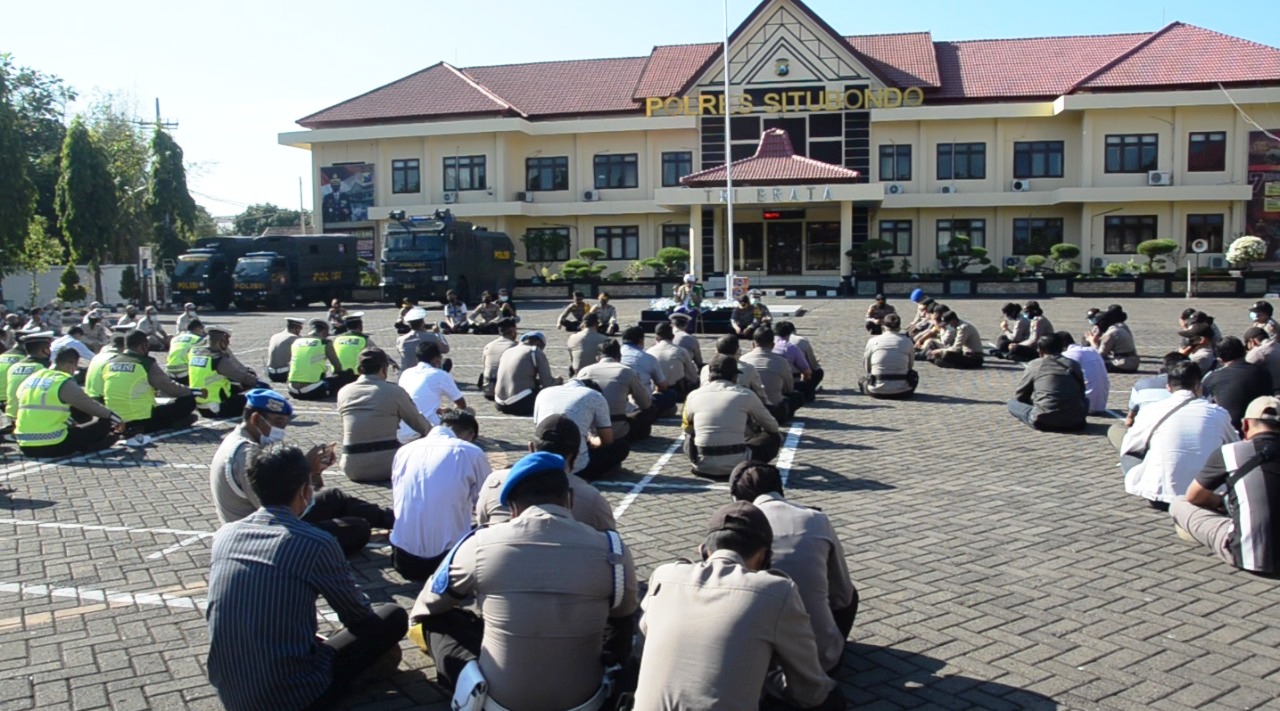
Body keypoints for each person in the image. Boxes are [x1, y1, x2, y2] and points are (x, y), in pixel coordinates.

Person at [409, 451, 638, 708]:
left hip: (498, 702)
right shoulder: (613, 549)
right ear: (570, 500)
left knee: (437, 621)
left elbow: (428, 606)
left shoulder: (479, 544)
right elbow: (624, 613)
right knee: (623, 620)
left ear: (512, 508)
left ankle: (469, 687)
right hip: (587, 701)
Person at [205, 443, 408, 711]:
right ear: (304, 490)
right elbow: (357, 616)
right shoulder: (314, 542)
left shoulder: (225, 535)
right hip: (294, 696)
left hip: (231, 691)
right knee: (392, 616)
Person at [633, 502, 841, 711]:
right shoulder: (777, 590)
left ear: (704, 550)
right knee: (831, 699)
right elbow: (810, 690)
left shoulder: (664, 575)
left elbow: (641, 650)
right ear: (764, 556)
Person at [209, 389, 394, 556]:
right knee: (356, 528)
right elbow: (280, 514)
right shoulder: (247, 456)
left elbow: (295, 497)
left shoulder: (243, 441)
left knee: (333, 496)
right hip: (262, 537)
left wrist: (314, 472)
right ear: (256, 419)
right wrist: (305, 469)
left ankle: (397, 520)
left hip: (271, 523)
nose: (281, 431)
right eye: (279, 423)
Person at [729, 461, 858, 674]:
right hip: (819, 660)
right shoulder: (816, 519)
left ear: (737, 498)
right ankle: (829, 643)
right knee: (849, 594)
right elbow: (842, 595)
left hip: (753, 665)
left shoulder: (734, 526)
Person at [1171, 395, 1280, 577]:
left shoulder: (1230, 452)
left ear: (1245, 425)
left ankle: (1203, 533)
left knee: (1180, 503)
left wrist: (1221, 501)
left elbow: (1194, 497)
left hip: (1249, 555)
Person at [1118, 361, 1238, 509]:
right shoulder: (1218, 413)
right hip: (1207, 494)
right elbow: (1234, 445)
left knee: (1126, 445)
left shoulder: (1152, 410)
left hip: (1161, 496)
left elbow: (1130, 446)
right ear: (1198, 386)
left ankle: (1144, 481)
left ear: (1168, 387)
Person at [390, 409, 489, 581]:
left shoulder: (404, 451)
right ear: (469, 434)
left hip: (403, 560)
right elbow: (486, 503)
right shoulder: (471, 452)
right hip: (448, 562)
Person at [474, 414, 616, 531]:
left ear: (531, 447)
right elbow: (611, 544)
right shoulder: (591, 497)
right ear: (576, 454)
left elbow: (481, 524)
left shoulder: (494, 481)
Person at [336, 348, 431, 483]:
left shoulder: (344, 392)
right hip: (387, 466)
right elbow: (420, 424)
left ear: (359, 369)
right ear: (383, 369)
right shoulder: (394, 392)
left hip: (352, 467)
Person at [13, 347, 123, 457]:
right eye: (75, 367)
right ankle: (90, 446)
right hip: (53, 444)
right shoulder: (61, 381)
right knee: (104, 423)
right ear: (70, 364)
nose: (74, 371)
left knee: (72, 411)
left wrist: (70, 422)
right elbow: (89, 404)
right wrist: (116, 419)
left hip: (25, 445)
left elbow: (43, 408)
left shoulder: (32, 378)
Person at [683, 356, 781, 478]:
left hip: (702, 464)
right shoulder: (745, 394)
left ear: (709, 376)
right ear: (735, 377)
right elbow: (773, 427)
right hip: (737, 464)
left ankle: (701, 462)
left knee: (689, 432)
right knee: (773, 437)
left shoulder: (693, 396)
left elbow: (687, 429)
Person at [102, 329, 198, 441]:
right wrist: (193, 391)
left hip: (114, 418)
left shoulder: (110, 363)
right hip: (139, 418)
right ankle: (168, 423)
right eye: (147, 345)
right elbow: (171, 388)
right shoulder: (145, 363)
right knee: (188, 401)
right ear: (141, 346)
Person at [532, 376, 630, 480]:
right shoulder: (595, 396)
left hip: (542, 463)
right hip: (577, 468)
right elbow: (607, 440)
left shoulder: (544, 393)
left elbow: (538, 429)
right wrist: (591, 439)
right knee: (621, 446)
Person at [1007, 333, 1089, 432]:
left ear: (1040, 350)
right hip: (1075, 423)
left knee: (1012, 403)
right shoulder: (1074, 364)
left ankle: (1044, 413)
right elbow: (1082, 393)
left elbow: (1021, 396)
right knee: (1087, 400)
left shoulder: (1035, 364)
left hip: (1044, 422)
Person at [578, 340, 653, 442]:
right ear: (619, 357)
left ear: (597, 358)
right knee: (648, 411)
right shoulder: (626, 371)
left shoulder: (584, 371)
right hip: (617, 428)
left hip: (589, 428)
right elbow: (645, 404)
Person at [189, 326, 264, 419]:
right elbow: (242, 376)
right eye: (227, 340)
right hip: (216, 408)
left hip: (200, 404)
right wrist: (260, 383)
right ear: (222, 341)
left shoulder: (194, 353)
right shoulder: (218, 359)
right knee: (256, 398)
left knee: (235, 386)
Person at [396, 342, 466, 442]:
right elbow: (461, 403)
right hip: (426, 431)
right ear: (436, 359)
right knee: (467, 413)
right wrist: (450, 413)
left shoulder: (406, 373)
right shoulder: (441, 375)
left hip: (402, 431)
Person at [1202, 336, 1274, 431]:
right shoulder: (1264, 372)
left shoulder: (1212, 378)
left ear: (1220, 360)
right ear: (1244, 353)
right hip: (1260, 427)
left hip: (1230, 429)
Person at [743, 327, 802, 422]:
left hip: (749, 409)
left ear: (753, 344)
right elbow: (789, 388)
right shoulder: (782, 361)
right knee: (797, 396)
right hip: (774, 409)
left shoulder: (743, 360)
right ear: (773, 345)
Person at [493, 331, 559, 416]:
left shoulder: (507, 351)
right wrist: (558, 381)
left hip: (499, 403)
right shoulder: (534, 351)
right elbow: (547, 383)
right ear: (538, 344)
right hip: (521, 403)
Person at [621, 326, 677, 416]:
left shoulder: (616, 355)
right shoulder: (647, 358)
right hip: (640, 403)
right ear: (641, 340)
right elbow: (662, 385)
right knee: (671, 395)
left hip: (616, 402)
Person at [861, 312, 917, 399]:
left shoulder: (873, 341)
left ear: (883, 327)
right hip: (903, 391)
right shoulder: (907, 341)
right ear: (899, 328)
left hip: (876, 390)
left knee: (862, 381)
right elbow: (910, 365)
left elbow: (867, 366)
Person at [288, 320, 348, 401]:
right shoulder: (324, 342)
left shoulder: (297, 341)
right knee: (345, 375)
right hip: (312, 390)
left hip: (292, 390)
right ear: (324, 331)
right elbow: (337, 367)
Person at [701, 334, 768, 403]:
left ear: (717, 352)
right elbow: (760, 394)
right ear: (737, 350)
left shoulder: (705, 369)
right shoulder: (748, 369)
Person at [5, 332, 55, 417]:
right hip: (29, 416)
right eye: (48, 348)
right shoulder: (44, 368)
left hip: (11, 414)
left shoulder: (13, 367)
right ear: (44, 349)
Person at [1061, 332, 1110, 415]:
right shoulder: (1093, 351)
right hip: (1101, 406)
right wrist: (1092, 342)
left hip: (1084, 405)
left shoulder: (1068, 355)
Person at [647, 322, 698, 400]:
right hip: (676, 391)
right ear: (673, 337)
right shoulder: (681, 351)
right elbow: (693, 377)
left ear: (656, 338)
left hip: (653, 391)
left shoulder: (648, 352)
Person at [396, 306, 451, 372]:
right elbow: (446, 349)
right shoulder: (431, 337)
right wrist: (438, 333)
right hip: (425, 373)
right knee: (446, 361)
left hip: (405, 374)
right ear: (422, 323)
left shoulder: (400, 340)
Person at [1088, 305, 1140, 373]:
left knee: (1091, 364)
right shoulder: (1121, 327)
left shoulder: (1110, 333)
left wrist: (1092, 341)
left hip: (1123, 364)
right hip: (1134, 362)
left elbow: (1099, 355)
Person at [775, 321, 819, 401]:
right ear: (790, 334)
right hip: (787, 383)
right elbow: (807, 371)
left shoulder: (767, 344)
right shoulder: (790, 347)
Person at [480, 318, 518, 400]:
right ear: (513, 330)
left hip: (488, 390)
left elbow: (484, 367)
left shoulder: (488, 345)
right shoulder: (515, 347)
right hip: (504, 393)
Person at [165, 318, 206, 385]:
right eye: (202, 329)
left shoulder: (175, 339)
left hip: (170, 372)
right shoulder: (198, 339)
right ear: (197, 328)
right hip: (185, 373)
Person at [266, 317, 305, 383]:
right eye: (300, 328)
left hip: (270, 373)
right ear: (296, 328)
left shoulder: (275, 336)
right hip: (284, 374)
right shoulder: (294, 338)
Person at [1245, 326, 1280, 391]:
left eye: (1248, 347)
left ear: (1252, 341)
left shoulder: (1258, 351)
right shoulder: (1277, 345)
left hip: (1274, 393)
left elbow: (1242, 370)